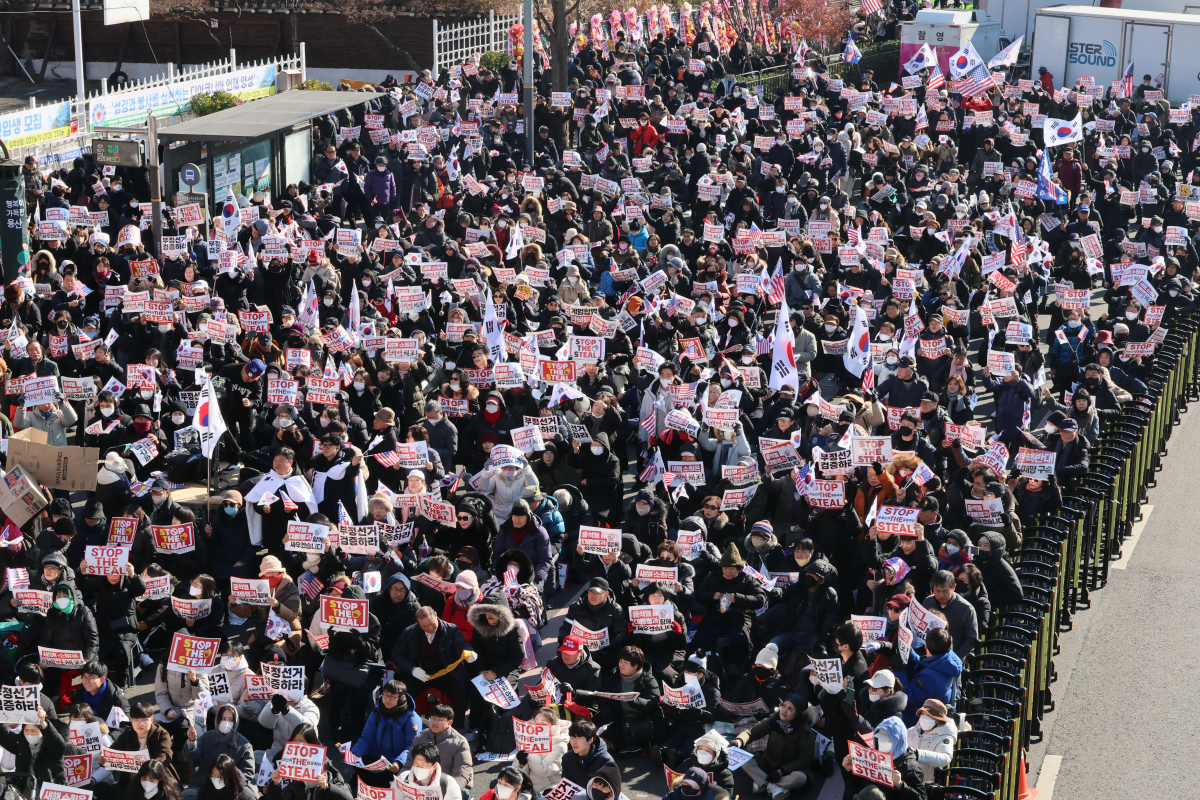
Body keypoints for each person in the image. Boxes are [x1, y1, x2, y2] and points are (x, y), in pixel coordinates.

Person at [398, 742, 463, 800]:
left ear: (434, 766)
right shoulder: (403, 779)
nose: (418, 768)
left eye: (423, 764)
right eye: (416, 763)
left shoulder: (448, 784)